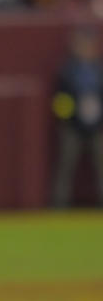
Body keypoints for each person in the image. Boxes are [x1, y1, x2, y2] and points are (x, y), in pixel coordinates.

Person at [50, 28, 103, 207]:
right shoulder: (67, 71)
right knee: (66, 165)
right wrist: (69, 119)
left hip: (97, 125)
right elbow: (60, 100)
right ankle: (59, 203)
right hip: (73, 126)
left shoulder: (98, 70)